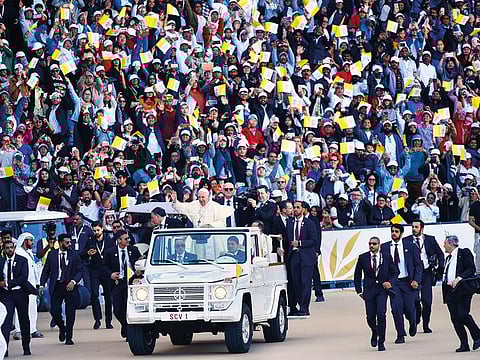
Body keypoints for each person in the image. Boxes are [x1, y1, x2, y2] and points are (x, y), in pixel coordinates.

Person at [354, 236, 398, 351]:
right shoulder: (363, 257)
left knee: (381, 314)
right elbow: (357, 275)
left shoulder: (387, 257)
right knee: (370, 317)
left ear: (379, 245)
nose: (372, 246)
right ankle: (375, 331)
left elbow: (395, 272)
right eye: (370, 244)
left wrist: (390, 282)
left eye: (374, 244)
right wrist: (359, 291)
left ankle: (381, 341)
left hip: (382, 290)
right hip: (368, 290)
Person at [381, 224, 422, 344]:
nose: (394, 233)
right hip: (393, 283)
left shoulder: (411, 246)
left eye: (396, 231)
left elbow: (418, 265)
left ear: (401, 233)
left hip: (408, 282)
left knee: (409, 308)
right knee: (396, 308)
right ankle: (400, 333)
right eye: (392, 231)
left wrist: (416, 280)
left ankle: (413, 321)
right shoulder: (384, 247)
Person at [40, 234, 84, 345]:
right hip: (57, 286)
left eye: (70, 242)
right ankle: (62, 327)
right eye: (67, 242)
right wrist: (41, 284)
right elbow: (46, 271)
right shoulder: (52, 254)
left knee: (70, 312)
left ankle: (69, 337)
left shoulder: (74, 255)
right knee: (54, 311)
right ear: (60, 243)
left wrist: (73, 281)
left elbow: (80, 270)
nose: (70, 244)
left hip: (70, 286)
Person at [404, 220, 444, 333]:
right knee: (414, 300)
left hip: (426, 272)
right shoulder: (406, 241)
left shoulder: (430, 239)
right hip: (413, 274)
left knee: (427, 301)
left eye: (416, 227)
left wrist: (440, 269)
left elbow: (440, 254)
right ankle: (415, 320)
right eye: (412, 227)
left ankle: (426, 324)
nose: (414, 229)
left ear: (422, 228)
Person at [442, 235, 480, 352]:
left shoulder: (464, 253)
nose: (444, 245)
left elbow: (471, 268)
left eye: (445, 243)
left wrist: (459, 278)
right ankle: (464, 344)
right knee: (455, 318)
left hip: (463, 289)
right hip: (450, 291)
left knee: (463, 314)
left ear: (452, 243)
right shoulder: (448, 258)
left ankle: (477, 335)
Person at [103, 230, 141, 340]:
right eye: (125, 239)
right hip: (118, 282)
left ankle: (129, 330)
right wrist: (111, 274)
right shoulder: (110, 252)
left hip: (132, 282)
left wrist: (138, 271)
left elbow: (140, 263)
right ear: (119, 240)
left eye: (128, 238)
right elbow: (104, 266)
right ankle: (125, 324)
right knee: (118, 308)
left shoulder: (133, 250)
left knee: (130, 307)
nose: (128, 240)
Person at [285, 201, 318, 316]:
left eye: (298, 207)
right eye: (294, 207)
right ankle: (297, 305)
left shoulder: (309, 223)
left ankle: (304, 308)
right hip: (293, 256)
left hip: (306, 256)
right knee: (295, 283)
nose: (295, 209)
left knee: (306, 283)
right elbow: (286, 238)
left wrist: (299, 243)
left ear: (303, 209)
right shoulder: (289, 222)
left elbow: (314, 240)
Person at [0, 239, 32, 357]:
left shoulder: (22, 260)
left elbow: (23, 278)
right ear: (4, 249)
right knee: (6, 322)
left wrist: (7, 283)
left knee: (24, 320)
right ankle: (5, 349)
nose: (9, 250)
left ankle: (26, 347)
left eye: (11, 247)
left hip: (20, 293)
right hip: (6, 295)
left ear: (14, 247)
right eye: (7, 248)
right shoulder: (1, 262)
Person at [85, 221, 114, 330]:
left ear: (102, 229)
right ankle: (97, 320)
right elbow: (82, 254)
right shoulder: (90, 241)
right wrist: (88, 253)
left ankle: (108, 320)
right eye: (94, 230)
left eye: (97, 230)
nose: (96, 232)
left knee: (108, 296)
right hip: (95, 271)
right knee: (94, 295)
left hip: (106, 271)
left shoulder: (109, 240)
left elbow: (113, 253)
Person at [14, 233, 43, 340]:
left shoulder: (29, 252)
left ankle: (32, 329)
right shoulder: (18, 253)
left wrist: (37, 284)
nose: (32, 243)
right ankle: (19, 330)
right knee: (21, 310)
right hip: (22, 287)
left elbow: (34, 270)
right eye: (30, 241)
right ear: (25, 241)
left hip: (32, 285)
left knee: (32, 308)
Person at [468, 196, 480, 274]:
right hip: (478, 233)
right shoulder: (475, 205)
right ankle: (478, 273)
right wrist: (478, 228)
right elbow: (470, 221)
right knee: (478, 254)